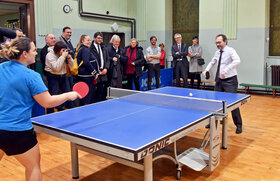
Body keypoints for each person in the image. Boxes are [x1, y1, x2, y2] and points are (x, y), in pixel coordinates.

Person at [0, 37, 80, 181]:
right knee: (33, 167)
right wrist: (69, 95)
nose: (36, 53)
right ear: (24, 54)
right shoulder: (31, 76)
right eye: (33, 50)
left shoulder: (1, 69)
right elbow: (47, 102)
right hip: (18, 132)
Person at [202, 34, 243, 134]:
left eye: (219, 42)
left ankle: (238, 124)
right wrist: (206, 70)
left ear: (225, 41)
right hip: (219, 80)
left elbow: (237, 61)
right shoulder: (217, 52)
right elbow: (213, 62)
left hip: (230, 81)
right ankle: (213, 122)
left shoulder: (231, 51)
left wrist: (227, 69)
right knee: (216, 102)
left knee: (233, 103)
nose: (218, 44)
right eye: (216, 42)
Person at [44, 41, 74, 113]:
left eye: (65, 50)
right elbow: (56, 68)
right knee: (53, 95)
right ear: (57, 49)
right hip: (53, 76)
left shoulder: (64, 55)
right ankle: (50, 112)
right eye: (62, 50)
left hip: (63, 76)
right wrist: (63, 57)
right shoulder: (49, 55)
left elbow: (72, 67)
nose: (64, 52)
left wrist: (69, 58)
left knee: (65, 93)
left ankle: (62, 109)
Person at [76, 35, 99, 106]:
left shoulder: (83, 48)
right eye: (87, 40)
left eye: (90, 40)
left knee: (86, 95)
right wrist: (94, 72)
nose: (89, 42)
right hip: (86, 77)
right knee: (87, 95)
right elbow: (86, 62)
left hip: (86, 76)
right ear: (83, 41)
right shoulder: (85, 49)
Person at [90, 32, 109, 102]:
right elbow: (90, 62)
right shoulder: (90, 48)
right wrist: (96, 71)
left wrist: (106, 68)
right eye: (98, 38)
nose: (100, 40)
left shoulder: (104, 47)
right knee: (93, 91)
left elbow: (107, 59)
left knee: (101, 90)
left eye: (101, 38)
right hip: (95, 73)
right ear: (94, 38)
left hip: (103, 73)